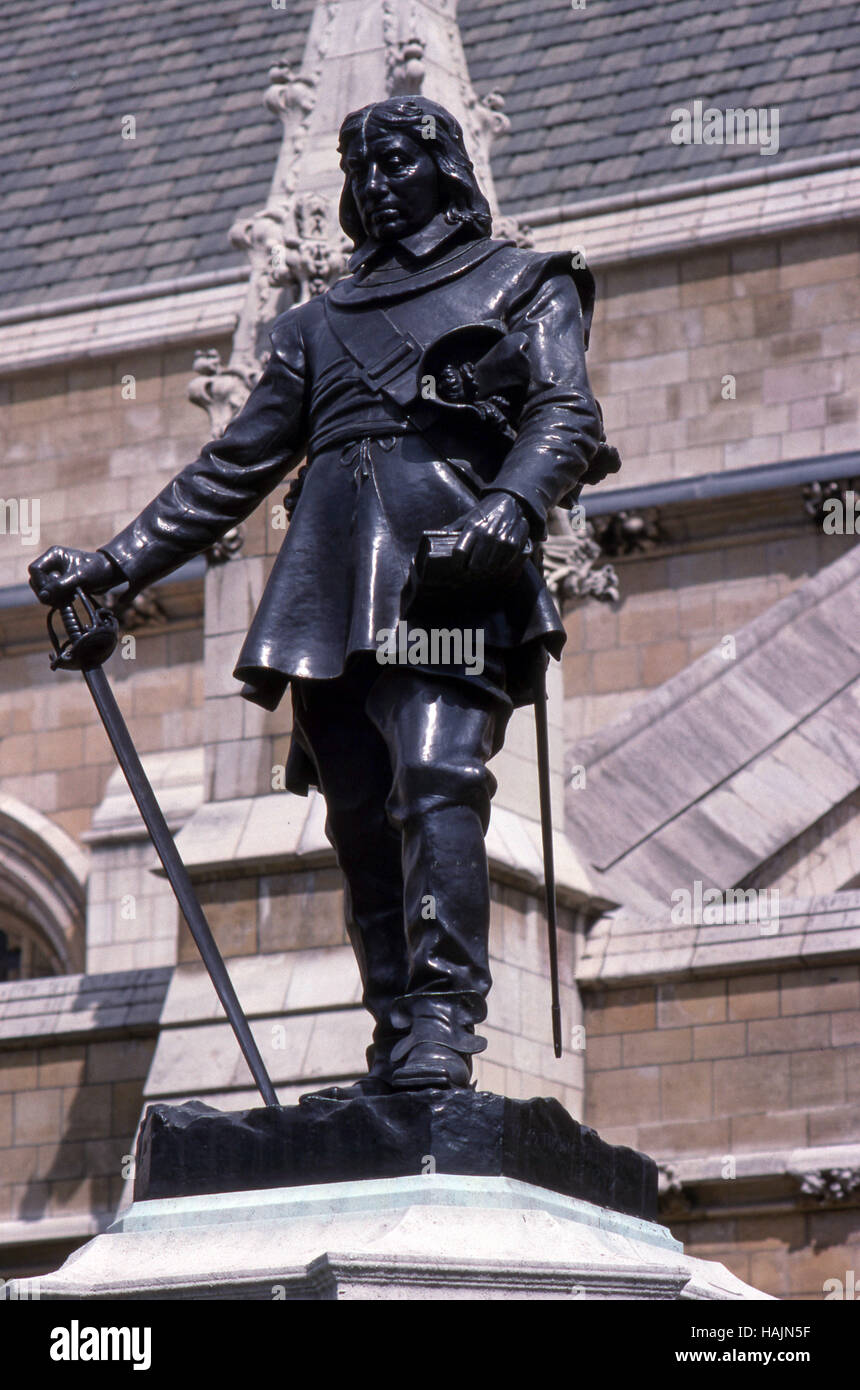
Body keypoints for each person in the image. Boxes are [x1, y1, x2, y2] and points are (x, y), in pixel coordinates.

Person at [29, 96, 614, 1097]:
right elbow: (232, 469)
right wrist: (115, 565)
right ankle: (392, 1036)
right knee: (355, 817)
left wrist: (510, 508)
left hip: (446, 585)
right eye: (360, 167)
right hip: (332, 595)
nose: (377, 182)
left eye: (394, 161)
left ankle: (443, 1023)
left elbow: (563, 414)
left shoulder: (523, 281)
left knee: (435, 778)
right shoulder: (312, 325)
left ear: (442, 166)